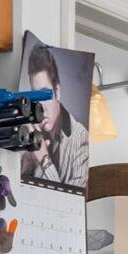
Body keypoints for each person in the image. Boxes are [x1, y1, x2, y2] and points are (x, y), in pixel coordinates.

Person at [22, 44, 89, 189]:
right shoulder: (30, 132)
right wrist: (29, 158)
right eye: (35, 96)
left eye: (45, 94)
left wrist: (44, 159)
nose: (40, 106)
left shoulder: (80, 138)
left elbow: (70, 206)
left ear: (57, 92)